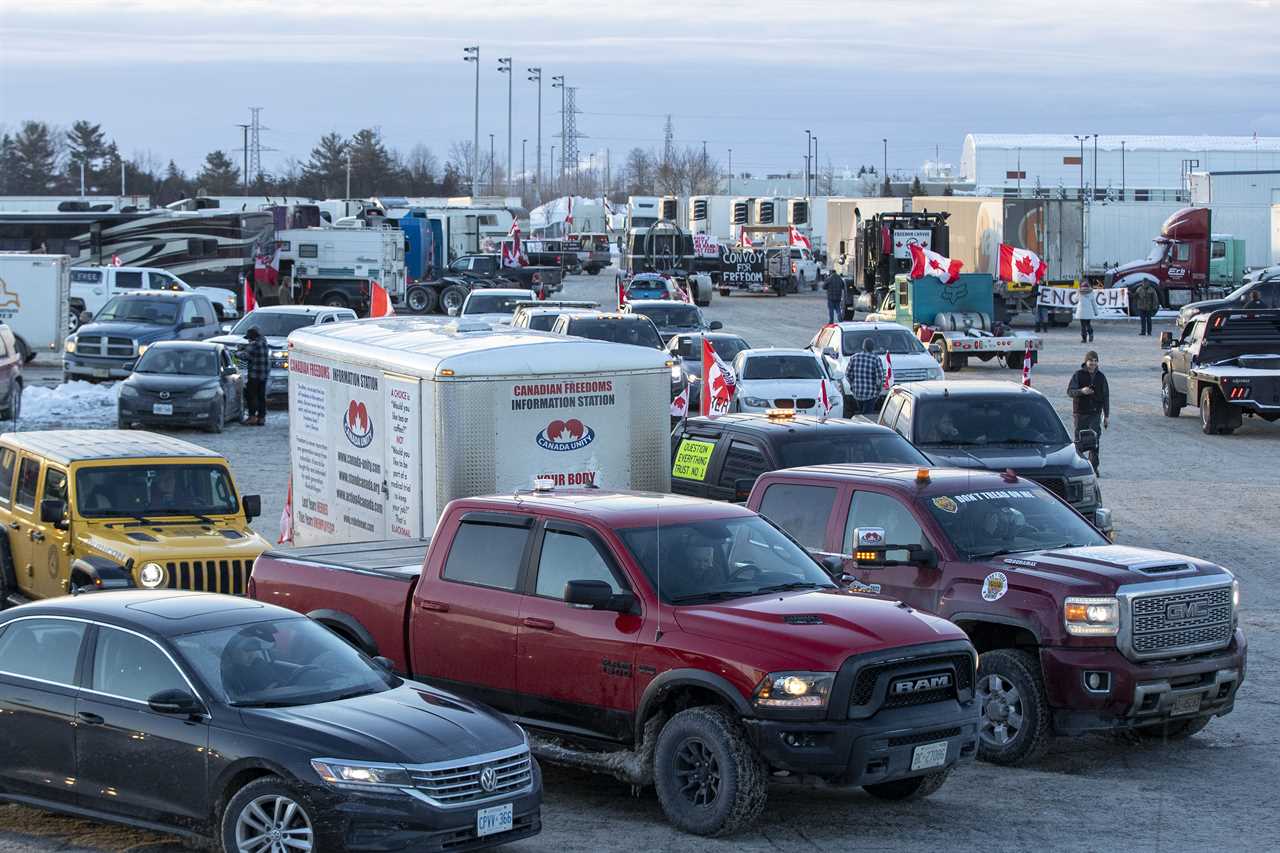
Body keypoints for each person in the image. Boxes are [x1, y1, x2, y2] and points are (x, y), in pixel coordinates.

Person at [1067, 350, 1109, 473]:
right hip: (1080, 413)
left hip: (1095, 413)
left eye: (1095, 361)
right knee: (1080, 441)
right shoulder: (1078, 375)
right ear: (1086, 362)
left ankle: (1093, 468)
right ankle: (1079, 467)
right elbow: (1070, 391)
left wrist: (1106, 415)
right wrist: (1082, 391)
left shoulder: (1101, 377)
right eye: (1091, 361)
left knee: (1094, 441)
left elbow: (1106, 396)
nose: (1093, 364)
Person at [844, 337, 885, 417]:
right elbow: (879, 378)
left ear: (863, 346)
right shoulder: (876, 359)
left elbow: (847, 374)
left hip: (857, 393)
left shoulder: (854, 357)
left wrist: (853, 385)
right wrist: (878, 391)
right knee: (867, 416)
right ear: (873, 348)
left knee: (861, 413)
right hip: (870, 394)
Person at [243, 327, 269, 426]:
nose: (248, 340)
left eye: (249, 338)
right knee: (261, 397)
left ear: (252, 337)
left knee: (251, 396)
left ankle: (252, 417)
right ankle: (261, 418)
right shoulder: (264, 343)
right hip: (264, 375)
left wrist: (237, 353)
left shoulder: (253, 345)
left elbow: (244, 356)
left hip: (254, 375)